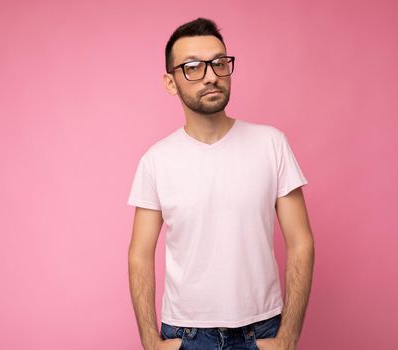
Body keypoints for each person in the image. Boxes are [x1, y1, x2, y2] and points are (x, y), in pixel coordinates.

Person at [127, 17, 314, 350]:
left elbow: (300, 242)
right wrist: (150, 342)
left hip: (262, 329)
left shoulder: (271, 144)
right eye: (194, 67)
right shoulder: (156, 161)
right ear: (171, 83)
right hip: (186, 335)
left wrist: (288, 337)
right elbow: (140, 254)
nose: (211, 75)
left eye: (219, 63)